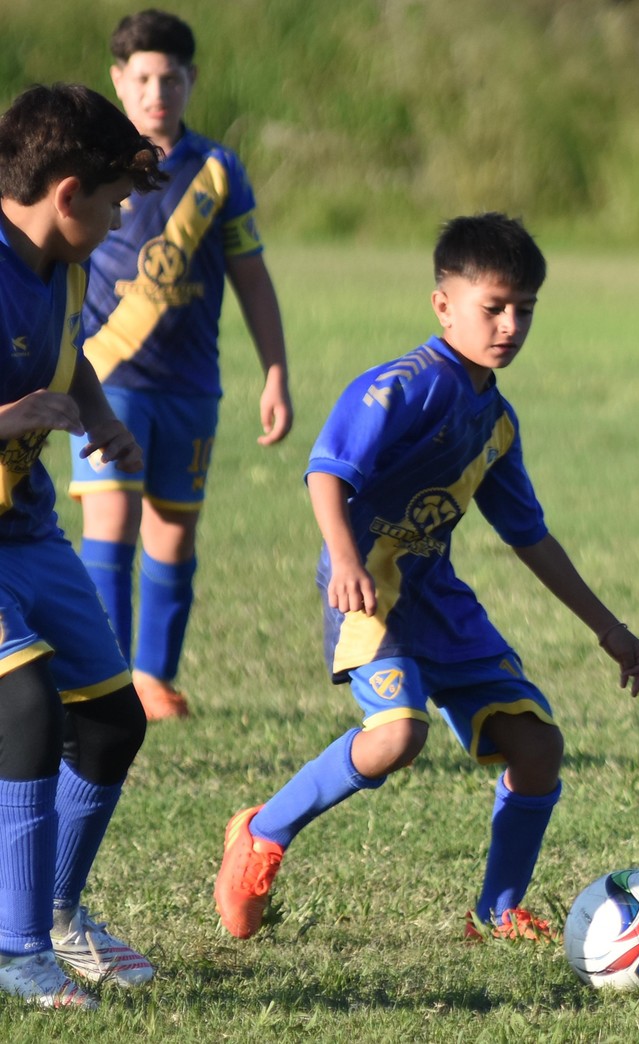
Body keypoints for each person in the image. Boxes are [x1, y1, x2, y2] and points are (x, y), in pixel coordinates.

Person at [214, 212, 639, 944]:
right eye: (493, 308)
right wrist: (346, 560)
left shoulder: (497, 420)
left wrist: (607, 627)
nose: (509, 325)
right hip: (371, 587)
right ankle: (261, 832)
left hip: (437, 597)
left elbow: (529, 535)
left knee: (537, 746)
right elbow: (326, 471)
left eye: (524, 312)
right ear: (443, 304)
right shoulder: (403, 386)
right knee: (394, 736)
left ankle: (496, 910)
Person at [68, 9, 293, 722]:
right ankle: (106, 681)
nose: (156, 92)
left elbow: (251, 276)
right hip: (105, 376)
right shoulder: (92, 166)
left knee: (174, 529)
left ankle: (154, 680)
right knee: (113, 521)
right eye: (143, 78)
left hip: (193, 386)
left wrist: (276, 371)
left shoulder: (218, 171)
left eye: (171, 78)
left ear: (191, 81)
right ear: (118, 81)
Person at [0, 82, 167, 1009]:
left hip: (24, 529)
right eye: (110, 204)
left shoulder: (57, 266)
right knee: (23, 705)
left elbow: (73, 356)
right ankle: (14, 949)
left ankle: (59, 914)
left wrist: (96, 414)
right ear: (67, 193)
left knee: (110, 720)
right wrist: (17, 416)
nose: (116, 222)